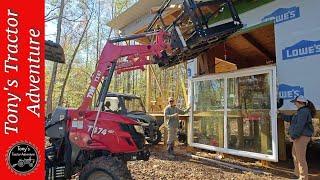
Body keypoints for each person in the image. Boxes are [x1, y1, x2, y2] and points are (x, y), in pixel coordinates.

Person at [279, 95, 316, 180]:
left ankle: (303, 177)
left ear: (300, 103)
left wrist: (294, 136)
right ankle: (297, 174)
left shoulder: (303, 112)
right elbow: (291, 119)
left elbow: (300, 126)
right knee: (295, 156)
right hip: (299, 136)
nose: (295, 104)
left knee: (300, 159)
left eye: (295, 102)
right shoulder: (301, 111)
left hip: (301, 137)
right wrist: (281, 115)